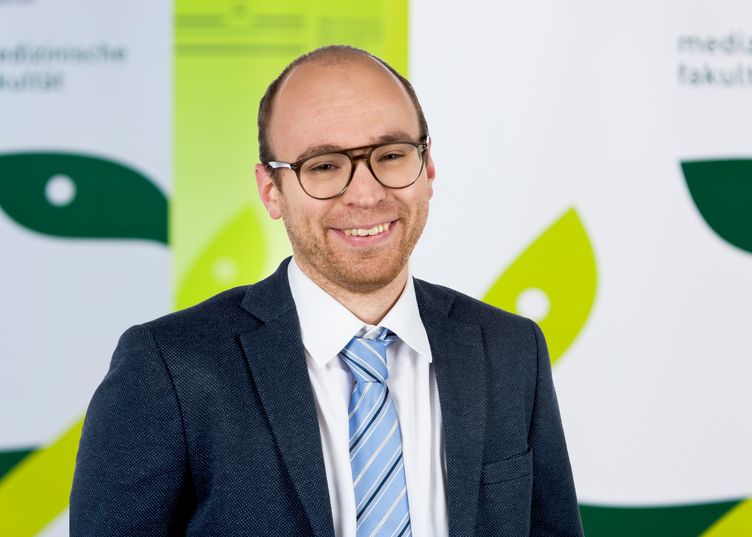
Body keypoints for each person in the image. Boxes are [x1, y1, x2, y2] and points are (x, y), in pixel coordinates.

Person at [71, 45, 583, 536]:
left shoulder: (512, 350)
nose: (366, 193)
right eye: (324, 166)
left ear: (428, 168)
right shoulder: (168, 367)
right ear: (271, 191)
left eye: (391, 154)